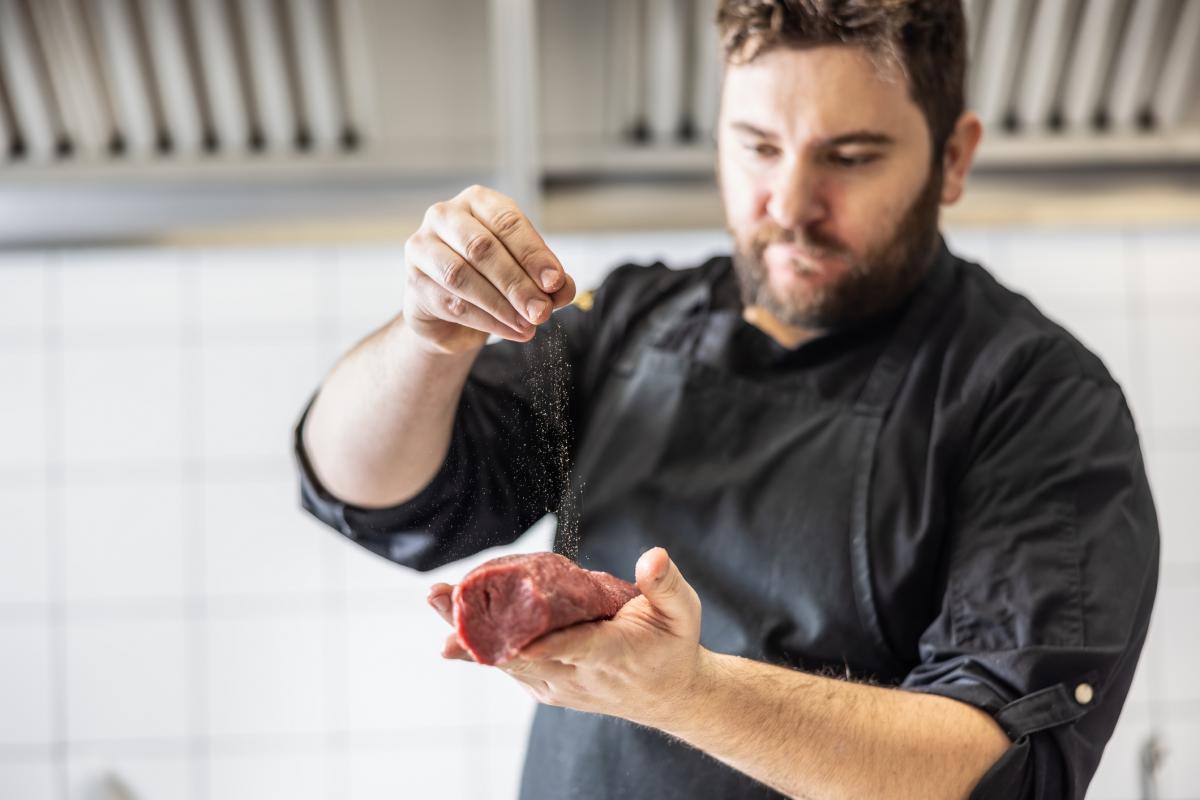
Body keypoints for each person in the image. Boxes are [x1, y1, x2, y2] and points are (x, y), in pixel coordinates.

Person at [292, 1, 1158, 797]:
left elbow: (998, 764)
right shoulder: (632, 321)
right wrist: (430, 336)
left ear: (954, 157)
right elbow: (383, 495)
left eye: (850, 157)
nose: (788, 204)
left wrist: (688, 691)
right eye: (756, 146)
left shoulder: (1040, 402)